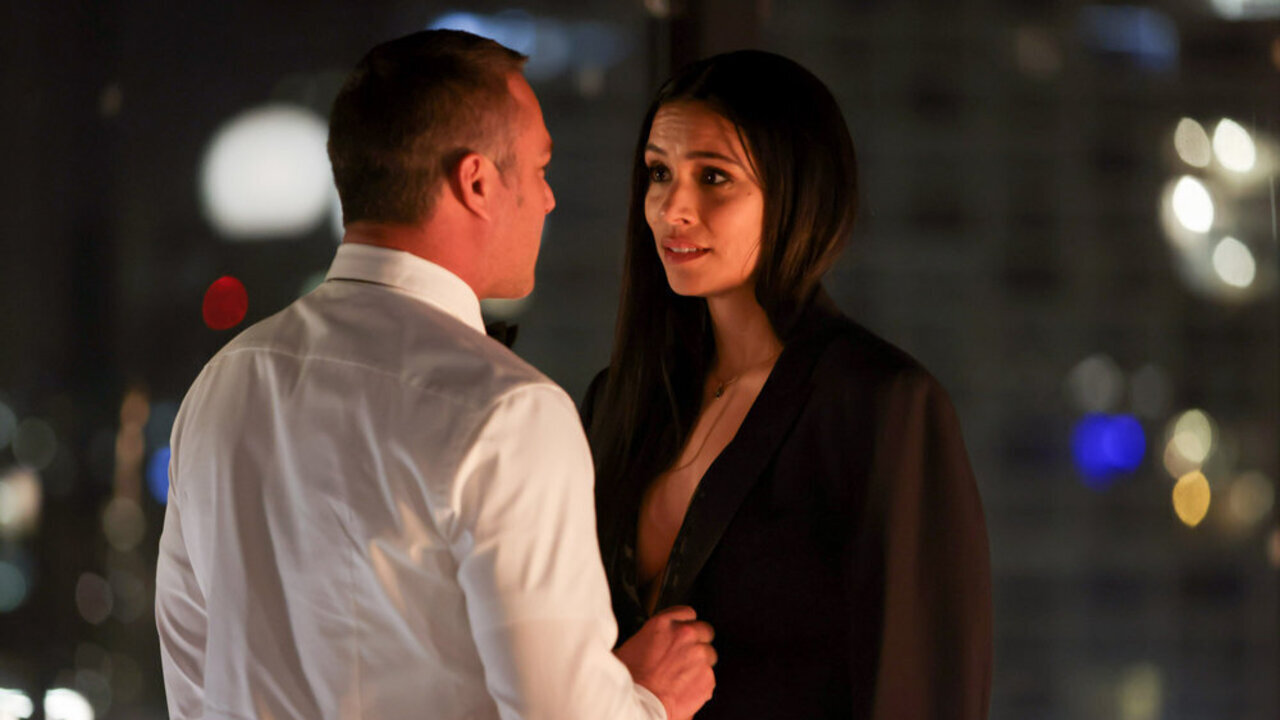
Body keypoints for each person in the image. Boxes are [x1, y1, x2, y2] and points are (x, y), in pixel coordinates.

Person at [155, 30, 716, 720]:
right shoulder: (508, 410)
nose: (549, 200)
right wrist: (647, 701)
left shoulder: (222, 384)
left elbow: (192, 682)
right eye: (540, 168)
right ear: (476, 182)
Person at [581, 50, 992, 718]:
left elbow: (920, 691)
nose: (671, 208)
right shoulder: (617, 402)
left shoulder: (880, 406)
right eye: (659, 173)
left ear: (798, 194)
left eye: (714, 177)